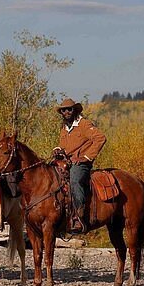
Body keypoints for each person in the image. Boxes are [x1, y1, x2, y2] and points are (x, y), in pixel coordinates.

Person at [53, 98, 107, 234]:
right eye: (63, 110)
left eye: (69, 109)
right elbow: (63, 144)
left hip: (80, 164)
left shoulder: (84, 124)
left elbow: (100, 138)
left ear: (75, 110)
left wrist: (86, 157)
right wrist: (58, 149)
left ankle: (78, 216)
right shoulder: (64, 127)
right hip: (66, 162)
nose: (66, 112)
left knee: (75, 180)